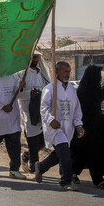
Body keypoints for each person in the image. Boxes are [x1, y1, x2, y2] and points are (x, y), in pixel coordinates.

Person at [34, 62, 85, 191]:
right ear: (57, 72)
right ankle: (66, 180)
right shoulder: (50, 88)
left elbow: (77, 108)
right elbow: (44, 108)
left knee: (60, 153)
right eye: (65, 71)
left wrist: (78, 124)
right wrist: (51, 120)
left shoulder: (72, 89)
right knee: (65, 153)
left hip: (68, 127)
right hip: (55, 128)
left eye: (69, 71)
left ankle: (41, 167)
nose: (67, 74)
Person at [73, 65, 104, 189]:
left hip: (96, 126)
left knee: (88, 153)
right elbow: (82, 109)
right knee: (89, 152)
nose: (99, 78)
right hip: (85, 127)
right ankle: (97, 179)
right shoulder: (82, 90)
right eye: (98, 75)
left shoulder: (96, 88)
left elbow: (100, 101)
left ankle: (75, 173)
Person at [0, 73, 26, 179]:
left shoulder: (13, 77)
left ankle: (14, 170)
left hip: (12, 117)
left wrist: (20, 87)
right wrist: (2, 107)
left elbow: (17, 94)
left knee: (15, 146)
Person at [16, 52, 49, 173]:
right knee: (33, 141)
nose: (35, 60)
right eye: (33, 57)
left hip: (42, 111)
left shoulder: (41, 73)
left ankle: (26, 155)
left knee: (44, 140)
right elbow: (18, 94)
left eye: (37, 57)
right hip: (28, 112)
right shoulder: (21, 74)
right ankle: (34, 168)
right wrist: (32, 93)